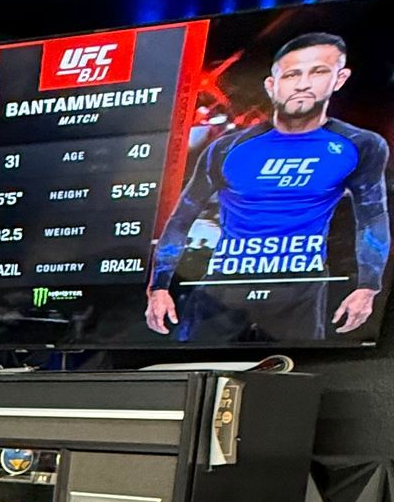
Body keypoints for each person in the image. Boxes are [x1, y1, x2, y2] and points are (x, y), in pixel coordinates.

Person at [146, 30, 388, 341]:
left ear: (339, 79)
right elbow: (181, 219)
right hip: (222, 292)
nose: (302, 84)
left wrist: (368, 287)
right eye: (291, 74)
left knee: (297, 380)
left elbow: (372, 217)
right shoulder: (226, 148)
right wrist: (159, 287)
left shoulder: (360, 144)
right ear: (272, 86)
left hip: (300, 291)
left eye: (318, 72)